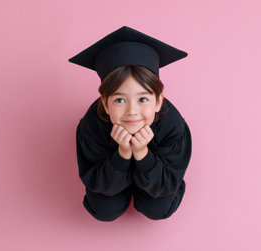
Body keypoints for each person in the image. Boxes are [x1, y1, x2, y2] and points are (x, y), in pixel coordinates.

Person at [69, 26, 192, 221]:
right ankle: (123, 190)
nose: (132, 111)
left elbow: (166, 183)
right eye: (119, 100)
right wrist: (123, 154)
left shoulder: (172, 125)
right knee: (104, 209)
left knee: (158, 208)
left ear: (159, 101)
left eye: (143, 99)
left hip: (156, 179)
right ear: (105, 103)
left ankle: (145, 191)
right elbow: (95, 180)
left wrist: (143, 153)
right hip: (110, 177)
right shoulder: (92, 126)